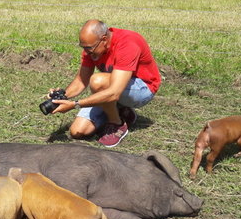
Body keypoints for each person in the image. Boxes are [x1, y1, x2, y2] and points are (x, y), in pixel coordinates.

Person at [49, 19, 161, 147]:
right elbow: (81, 81)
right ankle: (123, 112)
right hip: (115, 88)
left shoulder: (127, 43)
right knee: (78, 131)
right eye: (83, 47)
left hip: (142, 89)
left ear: (104, 39)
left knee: (97, 81)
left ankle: (117, 124)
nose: (86, 52)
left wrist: (75, 105)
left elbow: (113, 93)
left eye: (89, 48)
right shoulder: (91, 47)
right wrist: (61, 97)